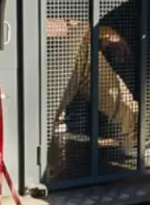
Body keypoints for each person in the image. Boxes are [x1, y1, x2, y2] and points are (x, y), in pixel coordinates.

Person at [45, 17, 138, 180]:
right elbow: (33, 25)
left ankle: (135, 152)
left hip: (77, 50)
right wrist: (88, 30)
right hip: (40, 55)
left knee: (129, 110)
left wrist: (90, 31)